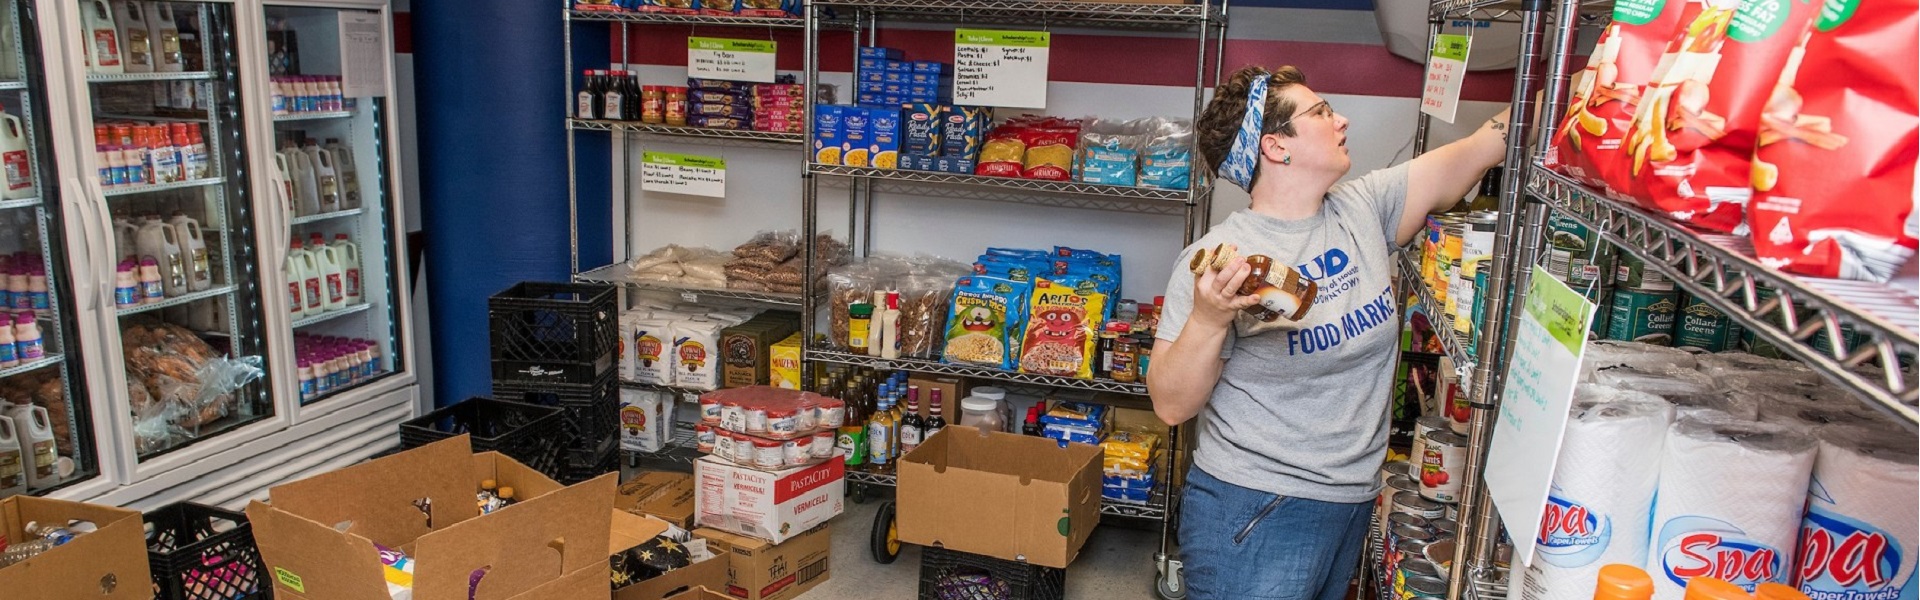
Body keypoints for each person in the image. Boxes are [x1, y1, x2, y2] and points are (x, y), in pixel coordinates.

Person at [1148, 65, 1510, 599]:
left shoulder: (1364, 208)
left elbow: (1487, 142)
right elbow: (1171, 405)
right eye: (1319, 112)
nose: (1340, 119)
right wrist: (1208, 318)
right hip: (1255, 507)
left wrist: (1599, 70)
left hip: (1351, 500)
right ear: (1276, 146)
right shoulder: (1219, 260)